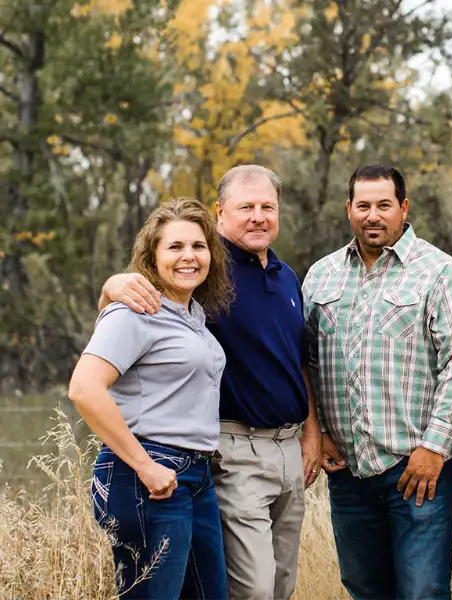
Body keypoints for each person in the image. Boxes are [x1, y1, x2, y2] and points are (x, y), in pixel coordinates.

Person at [98, 165, 322, 600]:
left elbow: (296, 361)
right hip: (232, 448)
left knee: (280, 586)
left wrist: (311, 431)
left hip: (289, 451)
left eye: (267, 207)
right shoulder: (203, 271)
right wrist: (112, 286)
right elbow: (136, 305)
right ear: (221, 212)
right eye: (246, 208)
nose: (258, 216)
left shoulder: (287, 276)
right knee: (252, 590)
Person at [303, 163, 452, 600]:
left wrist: (435, 446)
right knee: (365, 588)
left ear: (403, 207)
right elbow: (305, 362)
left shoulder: (441, 273)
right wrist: (321, 432)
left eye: (384, 205)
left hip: (417, 468)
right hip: (347, 470)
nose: (373, 215)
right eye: (362, 205)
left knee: (421, 591)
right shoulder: (321, 276)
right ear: (348, 209)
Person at [69, 197, 231, 599]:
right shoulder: (134, 312)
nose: (188, 257)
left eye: (198, 246)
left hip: (195, 478)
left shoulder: (192, 317)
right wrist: (145, 466)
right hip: (146, 478)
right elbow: (84, 388)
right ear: (152, 256)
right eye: (174, 247)